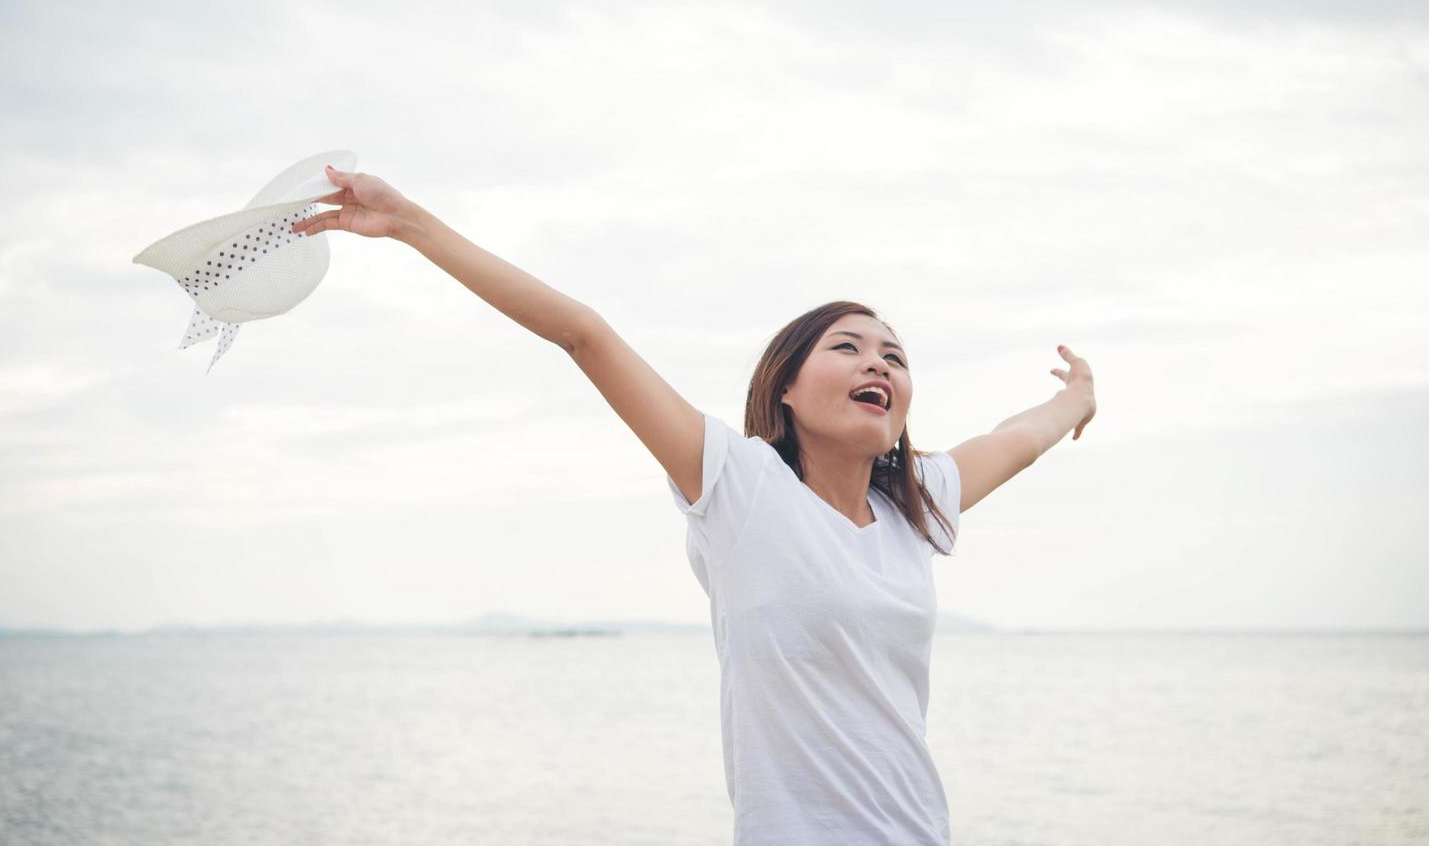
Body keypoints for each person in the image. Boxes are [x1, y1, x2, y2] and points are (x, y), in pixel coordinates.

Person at [292, 164, 1098, 845]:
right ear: (784, 386)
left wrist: (1078, 398)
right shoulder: (739, 488)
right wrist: (409, 224)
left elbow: (1019, 436)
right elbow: (583, 334)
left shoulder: (917, 509)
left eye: (894, 355)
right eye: (847, 347)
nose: (877, 363)